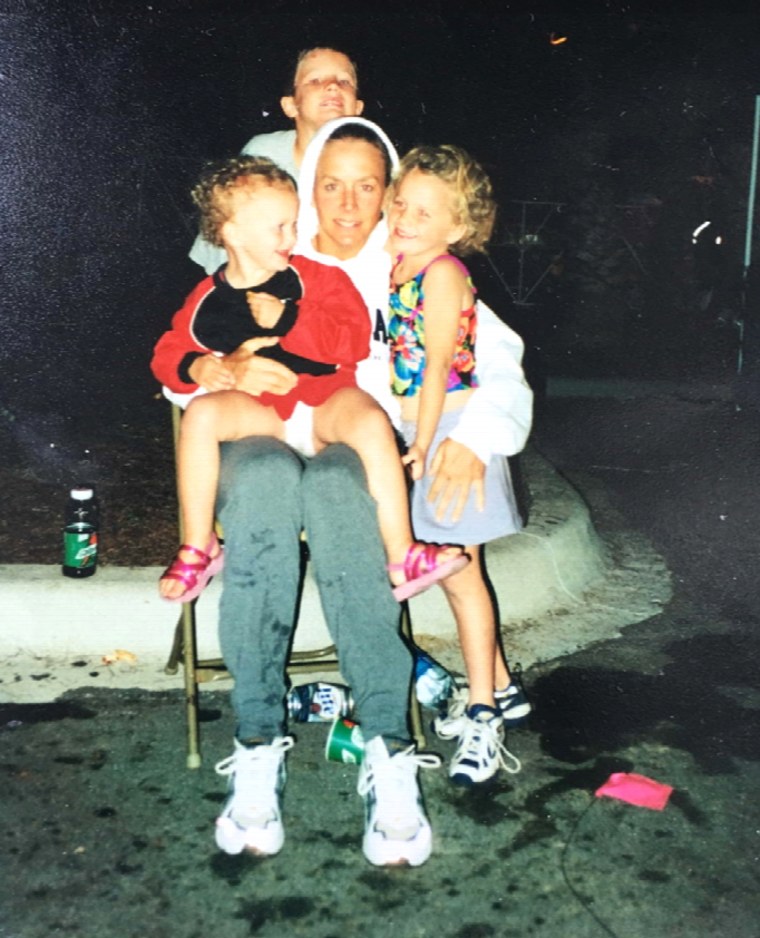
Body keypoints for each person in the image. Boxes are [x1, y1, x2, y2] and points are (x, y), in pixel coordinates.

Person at [163, 116, 532, 868]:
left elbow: (493, 360)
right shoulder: (269, 249)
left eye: (370, 185)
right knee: (263, 485)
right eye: (330, 183)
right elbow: (180, 353)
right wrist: (215, 370)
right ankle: (258, 739)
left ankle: (388, 748)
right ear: (306, 187)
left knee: (340, 497)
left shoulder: (410, 261)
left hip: (351, 438)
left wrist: (473, 436)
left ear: (390, 193)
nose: (349, 201)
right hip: (259, 432)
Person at [152, 155, 467, 604]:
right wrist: (196, 367)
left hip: (324, 402)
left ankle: (402, 554)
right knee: (201, 415)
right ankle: (199, 544)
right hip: (265, 415)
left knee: (371, 422)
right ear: (232, 232)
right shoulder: (207, 298)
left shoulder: (315, 277)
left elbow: (353, 340)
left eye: (294, 225)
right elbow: (168, 351)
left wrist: (290, 319)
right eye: (278, 227)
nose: (292, 237)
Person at [386, 144, 530, 786]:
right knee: (448, 571)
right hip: (423, 424)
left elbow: (439, 367)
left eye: (424, 211)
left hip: (445, 430)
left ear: (457, 228)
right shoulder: (395, 266)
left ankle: (482, 711)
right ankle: (500, 686)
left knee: (461, 573)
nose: (405, 217)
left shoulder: (441, 273)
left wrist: (421, 440)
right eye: (400, 204)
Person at [189, 47, 364, 275]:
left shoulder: (374, 167)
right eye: (315, 80)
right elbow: (220, 252)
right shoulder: (264, 155)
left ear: (358, 108)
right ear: (290, 106)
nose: (332, 85)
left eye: (344, 81)